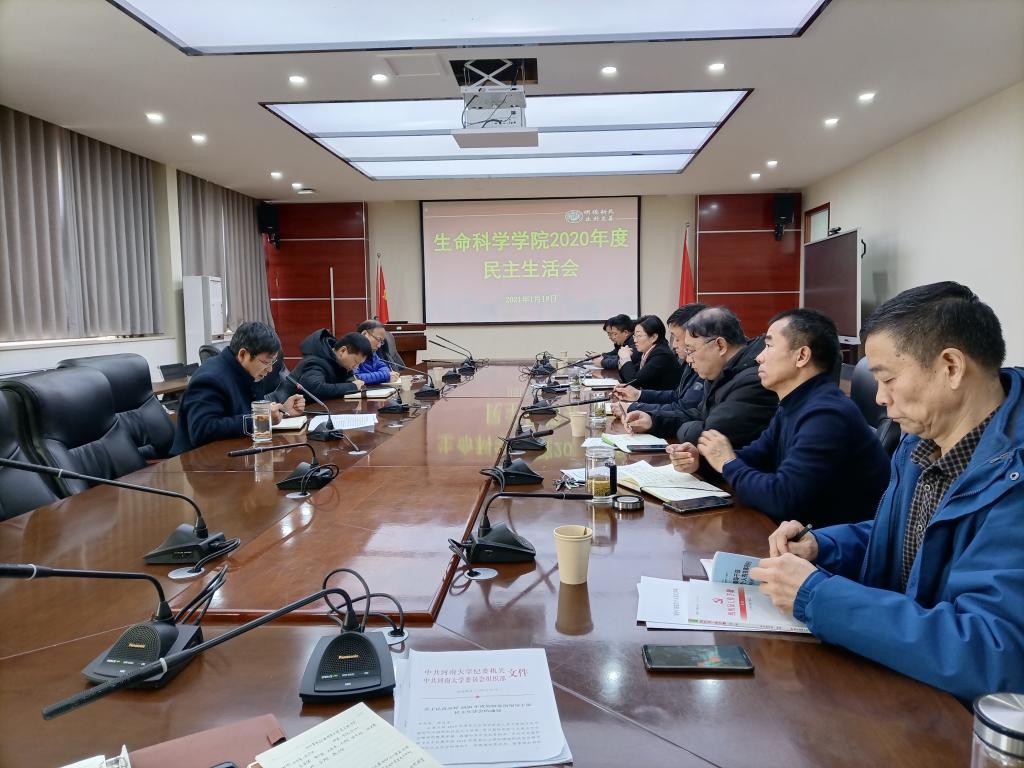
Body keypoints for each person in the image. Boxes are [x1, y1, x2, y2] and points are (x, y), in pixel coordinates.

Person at [751, 282, 1024, 702]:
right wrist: (821, 546)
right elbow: (906, 541)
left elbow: (993, 651)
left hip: (957, 718)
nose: (879, 397)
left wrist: (819, 596)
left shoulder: (1013, 476)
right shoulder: (920, 442)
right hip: (899, 680)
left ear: (951, 367)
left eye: (888, 378)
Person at [667, 308, 890, 526]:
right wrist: (702, 461)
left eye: (769, 346)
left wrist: (727, 462)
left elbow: (783, 499)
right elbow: (758, 455)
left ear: (802, 356)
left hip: (827, 544)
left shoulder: (826, 414)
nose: (759, 358)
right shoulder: (795, 403)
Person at [623, 307, 777, 462]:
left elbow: (707, 435)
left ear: (720, 346)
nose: (688, 359)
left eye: (691, 350)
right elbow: (696, 414)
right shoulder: (722, 372)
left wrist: (689, 427)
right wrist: (653, 421)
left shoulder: (753, 380)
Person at [171, 321, 305, 455]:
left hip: (236, 451)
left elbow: (246, 412)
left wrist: (283, 410)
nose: (269, 369)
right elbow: (202, 430)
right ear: (242, 354)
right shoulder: (210, 379)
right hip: (200, 461)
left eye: (272, 362)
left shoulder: (249, 372)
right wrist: (262, 419)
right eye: (266, 362)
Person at [612, 303, 706, 417]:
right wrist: (637, 394)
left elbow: (683, 408)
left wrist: (634, 407)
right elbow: (676, 396)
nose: (674, 345)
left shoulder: (661, 354)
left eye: (677, 338)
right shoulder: (688, 362)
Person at [280, 329, 372, 402]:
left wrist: (352, 381)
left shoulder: (339, 362)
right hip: (290, 413)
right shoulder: (315, 361)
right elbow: (315, 389)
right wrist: (352, 386)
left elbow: (346, 380)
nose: (356, 366)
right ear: (342, 351)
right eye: (355, 361)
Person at [615, 315, 680, 390]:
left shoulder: (661, 355)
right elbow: (628, 379)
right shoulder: (648, 352)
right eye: (634, 336)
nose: (635, 340)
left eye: (639, 336)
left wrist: (625, 358)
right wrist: (622, 359)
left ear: (653, 337)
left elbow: (634, 382)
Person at [354, 320, 401, 385]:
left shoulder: (372, 353)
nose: (379, 346)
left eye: (381, 342)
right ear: (364, 334)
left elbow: (385, 369)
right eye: (378, 339)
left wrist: (381, 376)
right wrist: (385, 376)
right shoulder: (352, 352)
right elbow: (356, 378)